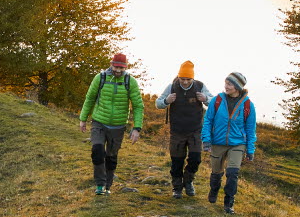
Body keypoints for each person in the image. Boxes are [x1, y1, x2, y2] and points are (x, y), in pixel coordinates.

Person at [78, 53, 145, 195]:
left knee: (111, 156)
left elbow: (138, 106)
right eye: (116, 67)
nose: (118, 70)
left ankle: (108, 186)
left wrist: (136, 128)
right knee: (97, 151)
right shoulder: (100, 78)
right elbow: (90, 98)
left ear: (126, 67)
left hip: (118, 126)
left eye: (122, 68)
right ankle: (100, 185)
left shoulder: (130, 81)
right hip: (99, 122)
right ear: (111, 64)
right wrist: (83, 119)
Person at [155, 60, 212, 199]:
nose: (185, 82)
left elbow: (213, 101)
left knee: (195, 159)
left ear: (192, 78)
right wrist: (167, 101)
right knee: (176, 162)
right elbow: (158, 103)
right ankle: (177, 188)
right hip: (177, 132)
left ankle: (188, 181)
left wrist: (205, 99)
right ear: (178, 77)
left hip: (195, 131)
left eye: (188, 79)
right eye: (182, 79)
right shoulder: (172, 87)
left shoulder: (200, 86)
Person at [202, 72, 257, 214]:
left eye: (230, 84)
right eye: (226, 83)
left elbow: (251, 129)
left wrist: (250, 149)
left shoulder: (248, 105)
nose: (226, 86)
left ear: (238, 87)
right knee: (216, 172)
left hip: (237, 143)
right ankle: (214, 190)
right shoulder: (217, 100)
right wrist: (206, 140)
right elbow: (208, 121)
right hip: (218, 142)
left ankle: (228, 202)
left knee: (232, 173)